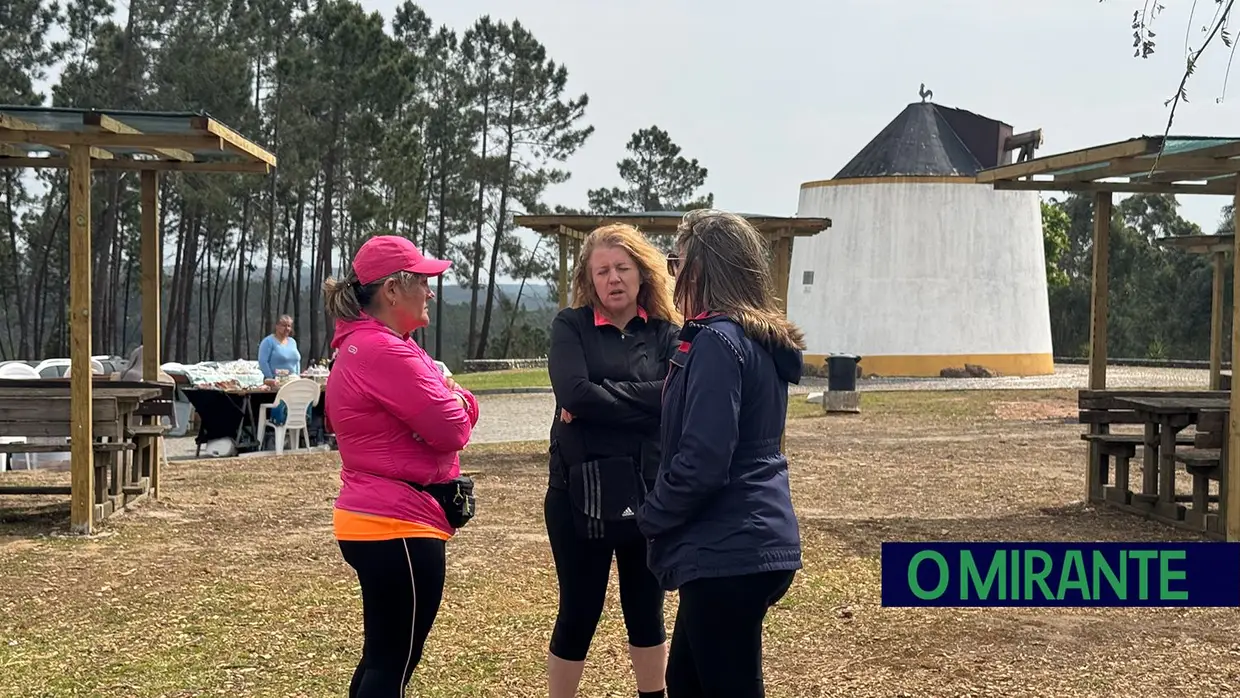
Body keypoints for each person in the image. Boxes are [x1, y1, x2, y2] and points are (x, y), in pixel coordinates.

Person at [636, 210, 804, 698]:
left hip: (727, 546)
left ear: (704, 269)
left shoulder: (716, 341)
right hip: (752, 539)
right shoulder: (757, 340)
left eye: (677, 262)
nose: (671, 275)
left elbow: (704, 459)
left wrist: (652, 514)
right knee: (686, 680)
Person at [322, 235, 481, 698]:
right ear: (392, 290)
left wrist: (452, 398)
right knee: (392, 664)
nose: (431, 291)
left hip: (379, 518)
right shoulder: (384, 351)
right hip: (398, 523)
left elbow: (444, 413)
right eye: (424, 282)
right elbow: (452, 428)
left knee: (382, 658)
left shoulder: (369, 344)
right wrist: (461, 398)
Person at [545, 223, 682, 698]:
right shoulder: (571, 325)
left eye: (623, 268)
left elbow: (675, 394)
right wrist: (642, 402)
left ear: (643, 274)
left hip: (648, 490)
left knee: (646, 607)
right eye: (602, 270)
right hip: (577, 492)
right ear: (589, 277)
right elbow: (573, 393)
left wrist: (599, 399)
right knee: (579, 607)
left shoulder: (668, 332)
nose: (613, 279)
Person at [258, 314, 301, 381]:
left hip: (293, 379)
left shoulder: (292, 342)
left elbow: (297, 362)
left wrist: (298, 377)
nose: (287, 328)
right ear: (277, 326)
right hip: (276, 380)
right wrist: (270, 378)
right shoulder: (268, 341)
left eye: (289, 326)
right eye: (284, 325)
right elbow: (263, 362)